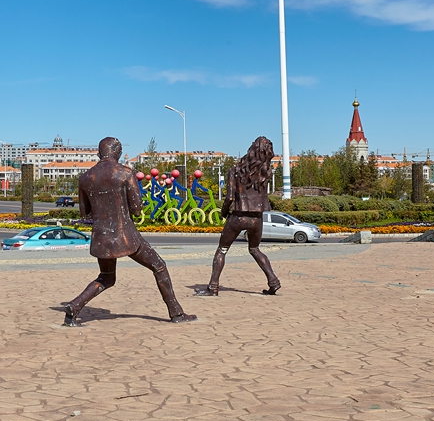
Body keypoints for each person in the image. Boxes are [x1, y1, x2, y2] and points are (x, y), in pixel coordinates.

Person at [63, 137, 197, 326]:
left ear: (99, 153)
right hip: (126, 236)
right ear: (118, 153)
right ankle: (176, 313)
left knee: (106, 277)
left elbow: (84, 212)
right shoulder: (125, 173)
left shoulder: (85, 178)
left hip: (101, 237)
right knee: (159, 266)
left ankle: (74, 306)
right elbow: (136, 208)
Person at [195, 136, 280, 297]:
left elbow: (229, 198)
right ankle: (273, 280)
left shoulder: (235, 171)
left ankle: (213, 287)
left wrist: (224, 213)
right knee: (255, 249)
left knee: (222, 250)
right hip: (257, 219)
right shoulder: (266, 173)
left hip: (239, 216)